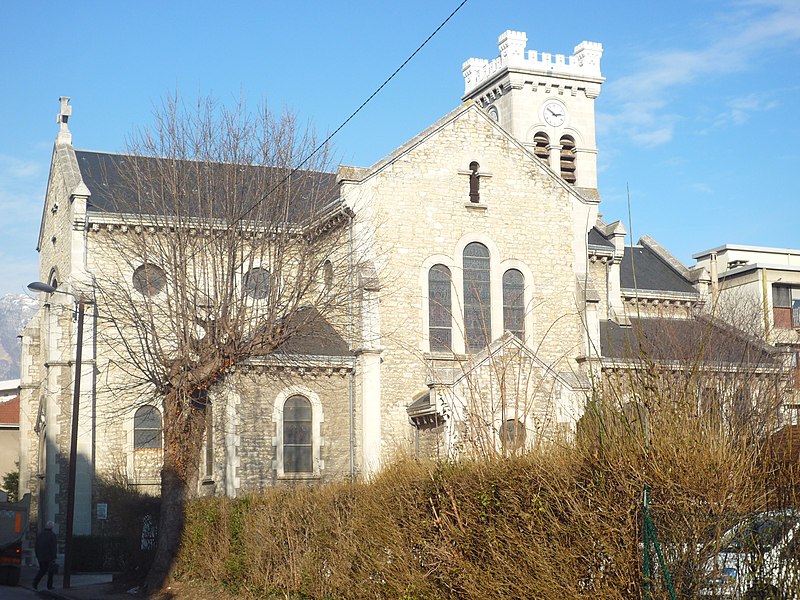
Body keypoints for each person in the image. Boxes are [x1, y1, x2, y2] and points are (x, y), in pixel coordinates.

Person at [32, 520, 58, 590]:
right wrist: (54, 556)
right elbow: (53, 547)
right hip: (49, 557)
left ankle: (35, 583)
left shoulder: (40, 534)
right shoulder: (52, 535)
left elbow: (36, 545)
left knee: (42, 570)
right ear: (52, 527)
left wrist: (37, 554)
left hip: (40, 556)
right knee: (50, 572)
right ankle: (49, 586)